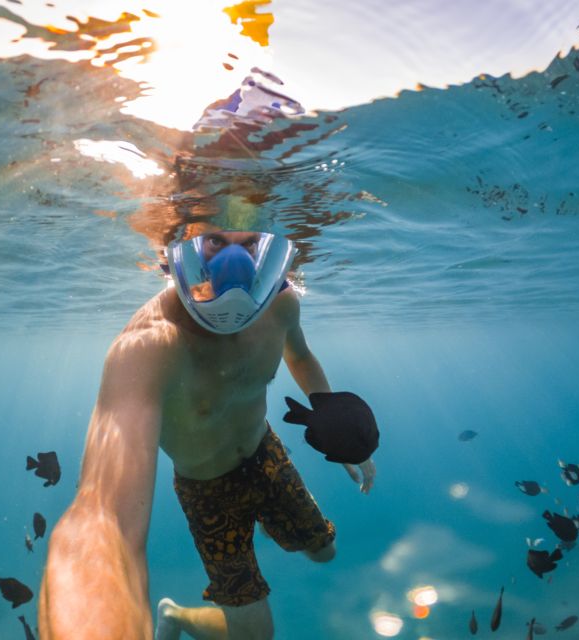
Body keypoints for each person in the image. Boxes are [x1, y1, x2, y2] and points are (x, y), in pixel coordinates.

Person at [39, 230, 377, 640]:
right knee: (256, 637)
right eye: (215, 239)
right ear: (184, 247)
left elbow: (300, 354)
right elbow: (103, 515)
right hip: (207, 492)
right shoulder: (147, 346)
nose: (236, 258)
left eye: (250, 242)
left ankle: (270, 520)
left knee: (325, 553)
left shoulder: (281, 304)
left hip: (265, 453)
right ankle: (176, 615)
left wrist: (336, 429)